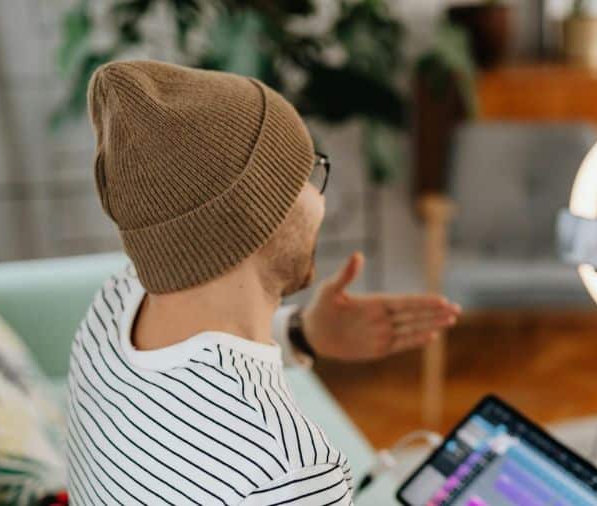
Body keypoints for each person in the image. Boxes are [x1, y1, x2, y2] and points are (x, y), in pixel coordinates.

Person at [66, 60, 461, 505]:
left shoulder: (115, 303)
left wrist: (303, 334)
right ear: (253, 217)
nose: (318, 196)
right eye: (307, 173)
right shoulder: (286, 470)